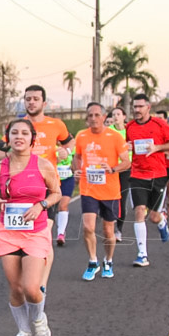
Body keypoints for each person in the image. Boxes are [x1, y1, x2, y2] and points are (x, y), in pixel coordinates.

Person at [0, 120, 61, 336]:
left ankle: (38, 319)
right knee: (15, 288)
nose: (19, 137)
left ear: (32, 138)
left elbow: (57, 193)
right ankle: (24, 332)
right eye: (14, 133)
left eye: (24, 133)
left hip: (35, 231)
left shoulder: (43, 165)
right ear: (8, 138)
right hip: (8, 231)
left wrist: (41, 205)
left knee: (32, 289)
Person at [21, 86, 73, 292]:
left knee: (44, 235)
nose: (31, 102)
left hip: (47, 189)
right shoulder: (18, 125)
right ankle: (27, 276)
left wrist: (65, 150)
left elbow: (71, 142)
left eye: (35, 99)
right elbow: (2, 151)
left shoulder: (55, 124)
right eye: (28, 99)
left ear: (44, 103)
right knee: (25, 237)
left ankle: (41, 284)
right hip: (21, 189)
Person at [72, 104, 130, 280]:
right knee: (88, 227)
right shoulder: (81, 135)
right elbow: (77, 156)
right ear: (87, 118)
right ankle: (92, 261)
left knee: (108, 232)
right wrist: (76, 170)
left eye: (97, 115)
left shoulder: (115, 137)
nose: (94, 118)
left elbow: (127, 162)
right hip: (88, 188)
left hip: (110, 190)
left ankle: (108, 260)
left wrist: (112, 169)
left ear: (104, 117)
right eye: (90, 115)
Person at [125, 94, 169, 267]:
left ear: (148, 107)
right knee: (140, 211)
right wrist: (127, 148)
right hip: (137, 175)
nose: (137, 110)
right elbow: (127, 146)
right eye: (135, 107)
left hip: (157, 175)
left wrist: (157, 147)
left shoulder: (159, 124)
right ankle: (142, 254)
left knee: (154, 217)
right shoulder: (130, 127)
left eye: (140, 106)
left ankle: (162, 222)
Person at [109, 107, 132, 242]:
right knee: (111, 198)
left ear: (124, 116)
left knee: (122, 199)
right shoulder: (109, 131)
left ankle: (119, 229)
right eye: (113, 115)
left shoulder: (129, 130)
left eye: (118, 114)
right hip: (112, 168)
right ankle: (109, 225)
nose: (116, 117)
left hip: (126, 168)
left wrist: (132, 146)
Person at [54, 147, 75, 247]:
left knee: (63, 205)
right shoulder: (49, 146)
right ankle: (59, 227)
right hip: (53, 180)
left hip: (67, 179)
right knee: (54, 207)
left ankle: (61, 233)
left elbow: (75, 160)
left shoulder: (70, 148)